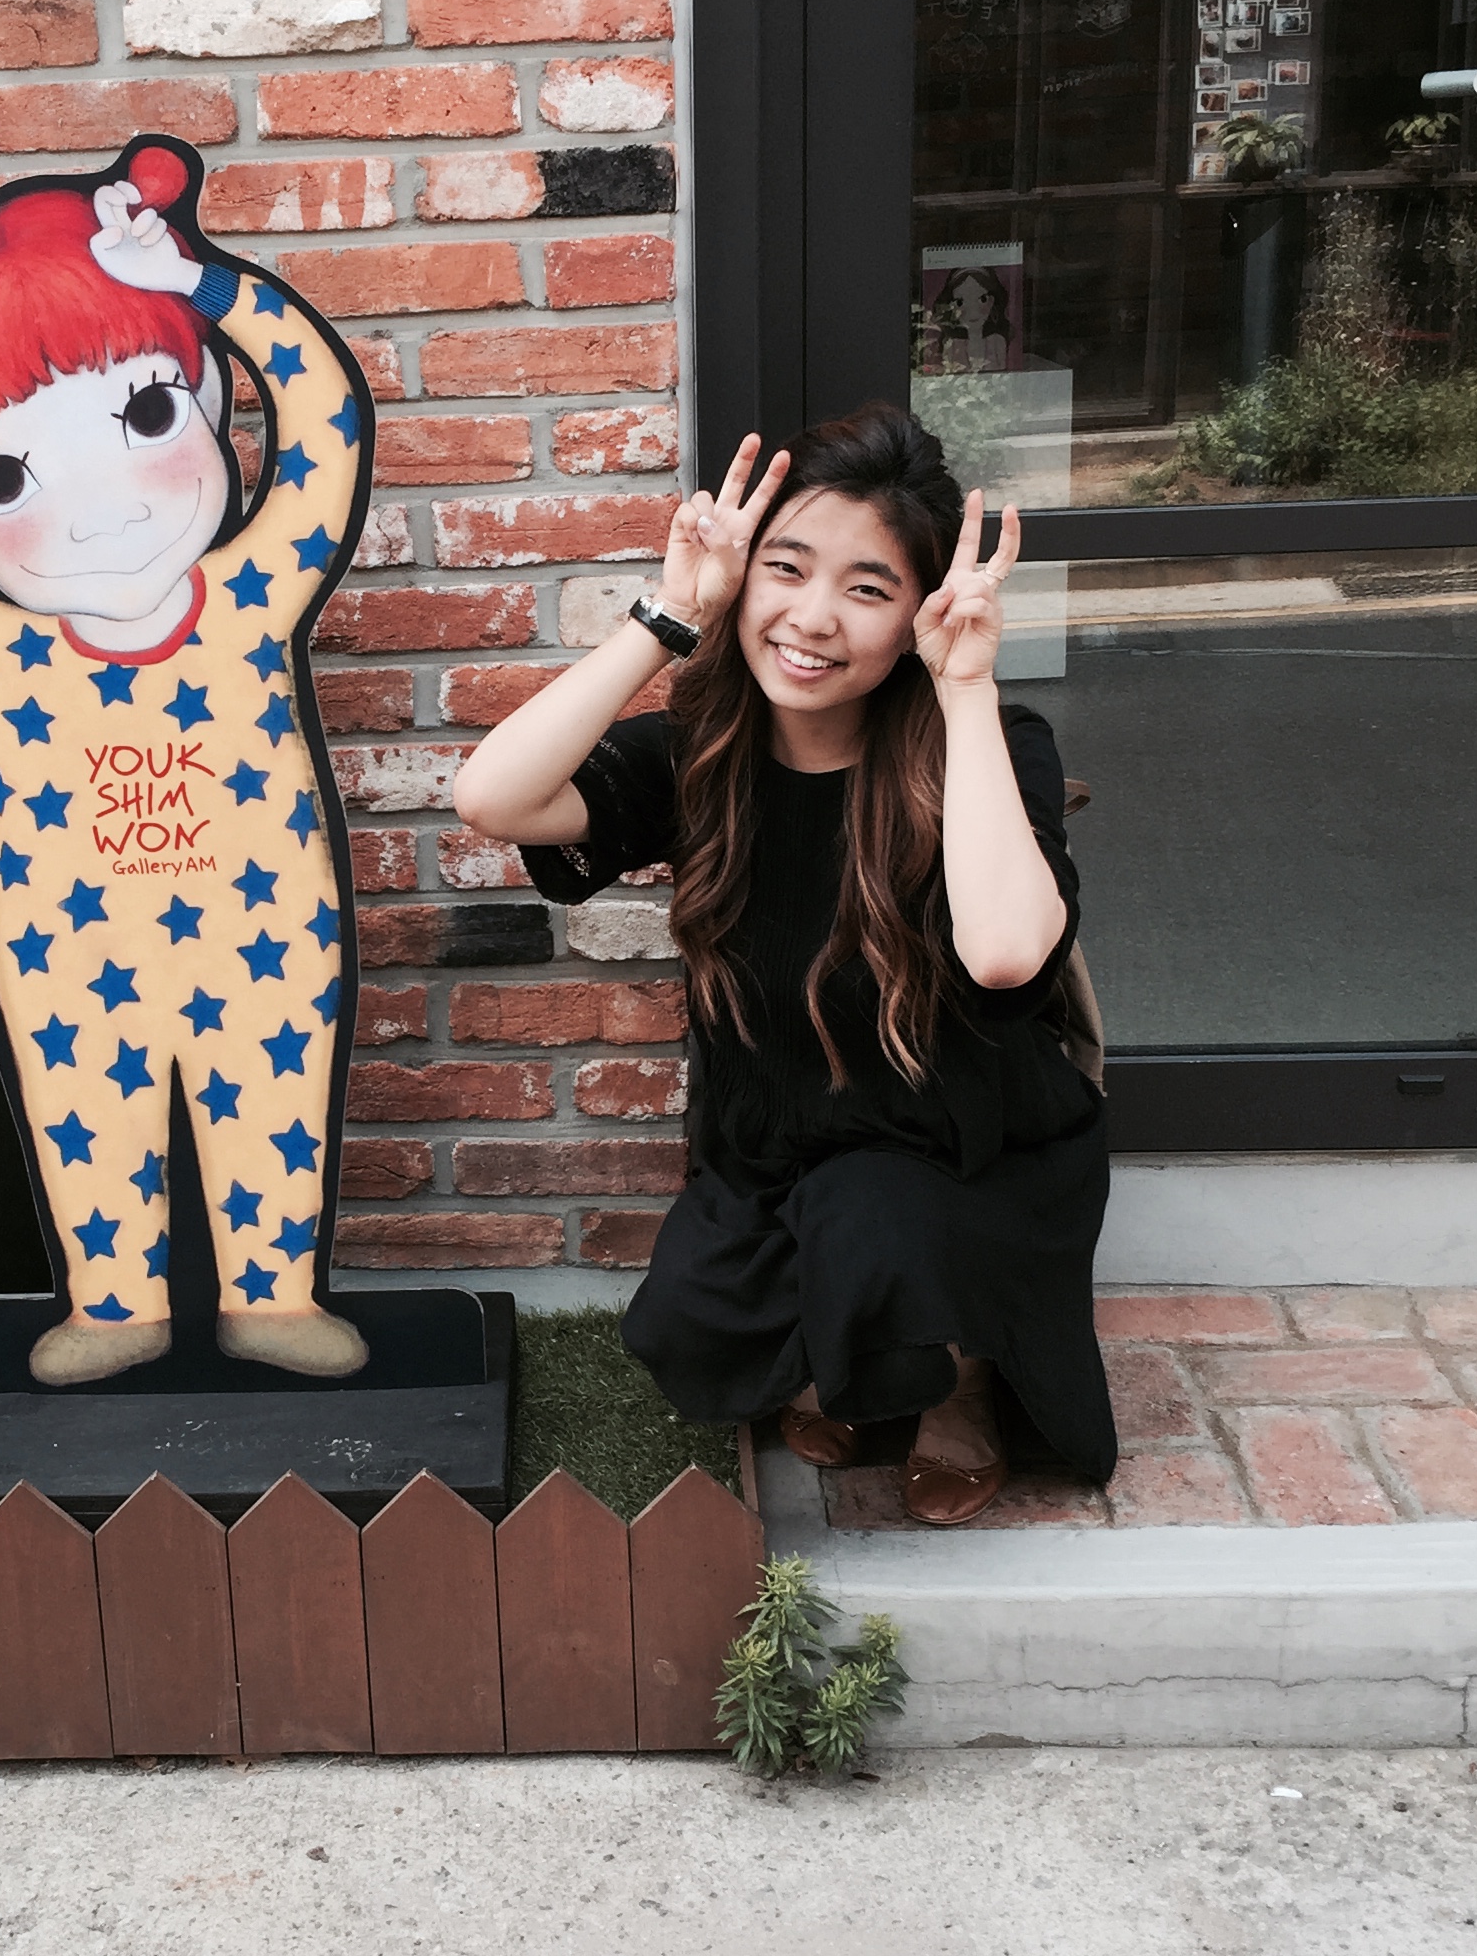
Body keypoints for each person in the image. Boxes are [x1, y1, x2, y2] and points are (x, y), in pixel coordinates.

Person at [453, 404, 1113, 1522]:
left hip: (963, 1152)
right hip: (777, 1146)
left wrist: (965, 687)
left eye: (868, 588)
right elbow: (491, 798)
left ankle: (962, 1380)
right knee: (689, 1321)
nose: (812, 618)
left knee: (876, 1225)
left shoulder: (993, 746)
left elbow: (1006, 957)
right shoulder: (703, 753)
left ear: (918, 614)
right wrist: (672, 613)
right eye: (787, 569)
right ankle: (861, 1326)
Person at [0, 142, 373, 1391]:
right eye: (5, 475)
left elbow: (323, 426)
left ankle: (272, 1296)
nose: (103, 509)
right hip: (70, 950)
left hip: (265, 928)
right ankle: (116, 1306)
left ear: (205, 404)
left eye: (147, 414)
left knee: (271, 1105)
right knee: (85, 1121)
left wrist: (200, 285)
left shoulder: (252, 600)